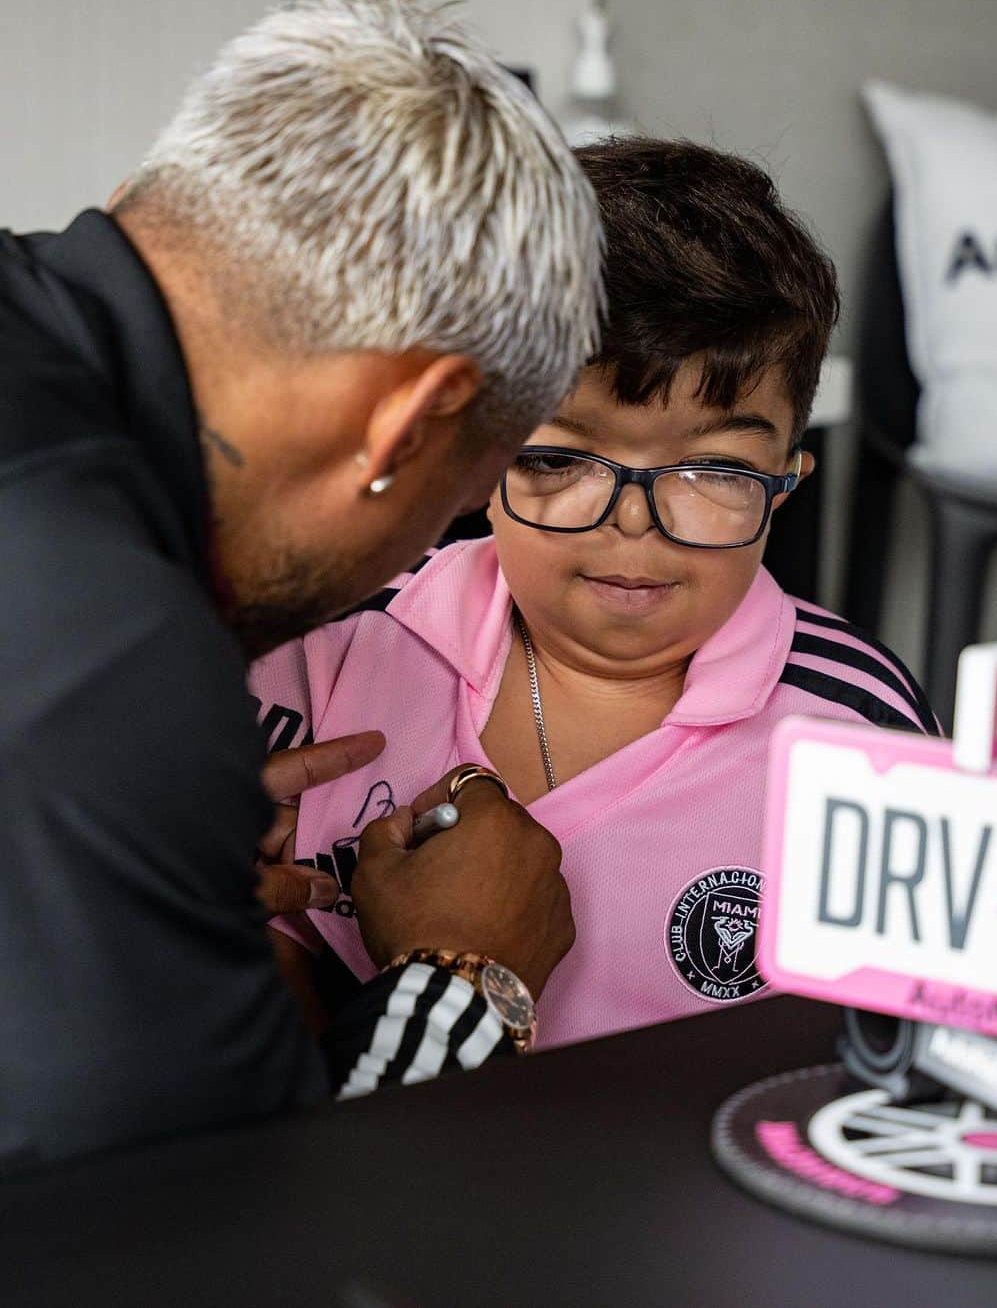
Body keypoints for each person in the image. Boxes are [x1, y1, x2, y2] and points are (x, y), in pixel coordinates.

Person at [0, 0, 603, 1169]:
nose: (433, 552)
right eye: (451, 506)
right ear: (404, 428)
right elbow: (195, 1245)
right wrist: (468, 986)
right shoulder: (108, 656)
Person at [252, 139, 938, 1056]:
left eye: (715, 468)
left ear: (787, 480)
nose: (636, 521)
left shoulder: (858, 731)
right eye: (557, 457)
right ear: (478, 454)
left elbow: (902, 1054)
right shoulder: (335, 652)